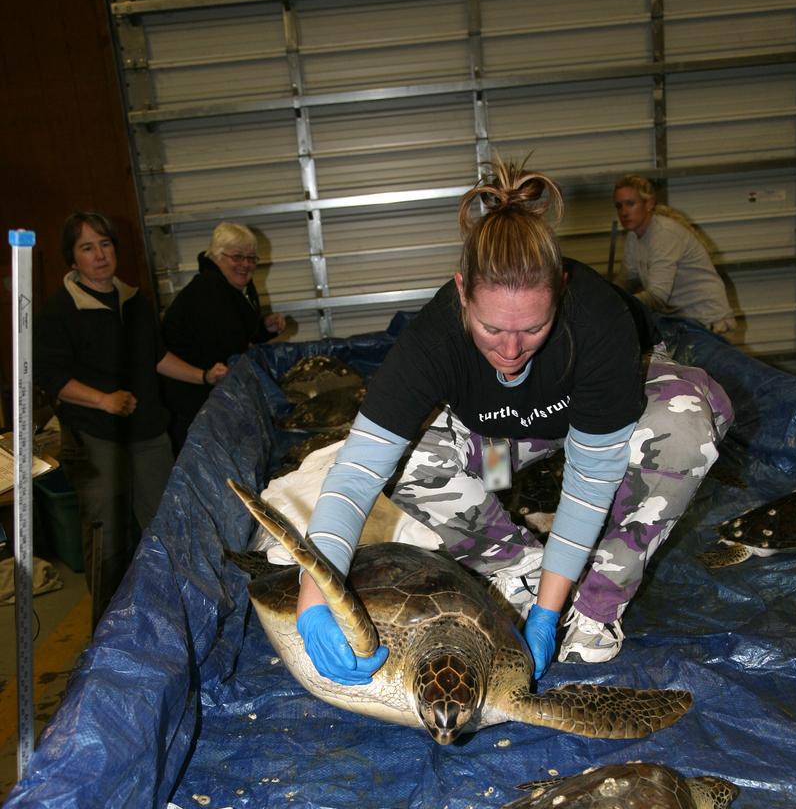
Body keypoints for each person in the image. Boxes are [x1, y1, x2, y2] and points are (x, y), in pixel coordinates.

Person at [293, 160, 733, 693]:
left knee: (686, 424)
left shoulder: (597, 320)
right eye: (491, 327)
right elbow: (356, 474)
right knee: (409, 456)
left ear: (561, 292)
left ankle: (597, 601)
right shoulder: (434, 339)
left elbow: (592, 478)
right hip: (505, 444)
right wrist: (314, 597)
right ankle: (517, 564)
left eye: (533, 328)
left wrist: (550, 613)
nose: (510, 349)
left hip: (600, 425)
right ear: (462, 292)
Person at [35, 211, 228, 621]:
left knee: (164, 524)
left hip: (147, 433)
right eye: (87, 248)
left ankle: (171, 613)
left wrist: (203, 376)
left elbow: (155, 357)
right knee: (107, 536)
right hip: (95, 436)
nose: (100, 255)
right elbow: (52, 378)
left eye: (105, 244)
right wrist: (102, 400)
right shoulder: (59, 312)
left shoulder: (133, 301)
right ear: (72, 260)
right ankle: (109, 623)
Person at [160, 221, 288, 451]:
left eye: (251, 258)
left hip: (214, 391)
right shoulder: (208, 292)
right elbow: (227, 344)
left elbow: (237, 332)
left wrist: (263, 328)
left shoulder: (234, 287)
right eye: (237, 257)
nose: (245, 265)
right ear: (217, 256)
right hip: (196, 401)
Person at [613, 173, 737, 335]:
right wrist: (607, 294)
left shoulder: (664, 235)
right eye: (619, 206)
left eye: (630, 204)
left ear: (649, 203)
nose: (624, 212)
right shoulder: (633, 237)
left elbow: (657, 297)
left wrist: (616, 304)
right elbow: (626, 280)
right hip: (684, 323)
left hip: (709, 323)